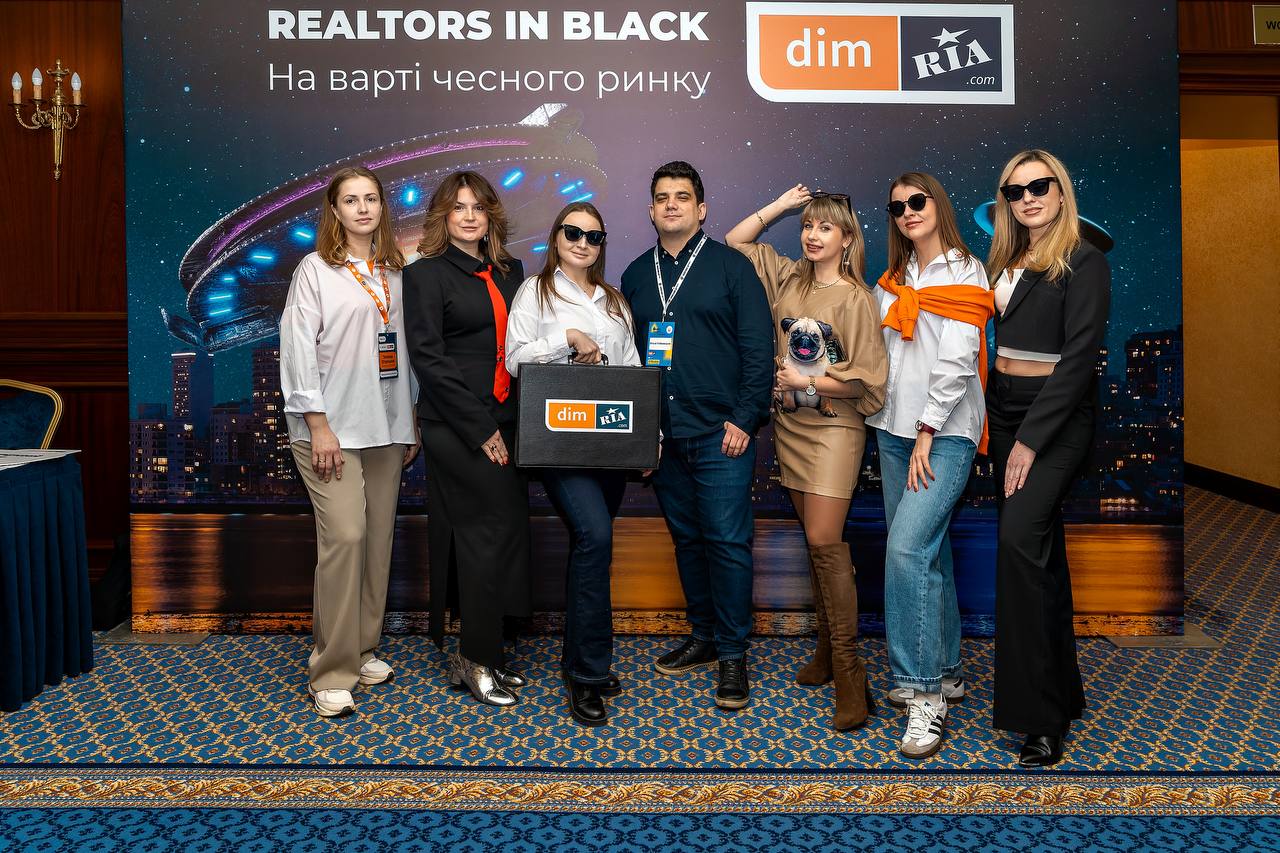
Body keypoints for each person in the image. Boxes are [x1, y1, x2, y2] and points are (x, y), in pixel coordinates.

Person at [725, 185, 887, 730]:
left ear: (847, 238)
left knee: (824, 541)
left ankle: (850, 672)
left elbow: (868, 382)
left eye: (825, 227)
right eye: (808, 226)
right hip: (791, 427)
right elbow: (735, 242)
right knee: (815, 544)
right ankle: (824, 650)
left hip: (835, 429)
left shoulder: (857, 298)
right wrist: (779, 207)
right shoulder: (790, 277)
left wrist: (807, 381)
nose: (813, 235)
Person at [621, 161, 774, 710]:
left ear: (701, 208)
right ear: (651, 210)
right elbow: (631, 360)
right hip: (664, 438)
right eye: (662, 197)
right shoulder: (636, 275)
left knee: (727, 542)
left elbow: (758, 349)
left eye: (682, 196)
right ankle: (704, 635)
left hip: (721, 433)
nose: (671, 204)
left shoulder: (732, 267)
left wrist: (745, 417)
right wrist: (643, 435)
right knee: (687, 540)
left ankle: (733, 654)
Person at [279, 165, 420, 718]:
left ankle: (362, 649)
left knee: (377, 540)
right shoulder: (314, 269)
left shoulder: (396, 272)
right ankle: (332, 671)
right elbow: (297, 349)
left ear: (382, 207)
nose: (363, 208)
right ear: (334, 211)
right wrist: (317, 424)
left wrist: (409, 418)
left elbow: (404, 352)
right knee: (346, 535)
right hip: (331, 429)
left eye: (371, 199)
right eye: (351, 200)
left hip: (387, 427)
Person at [985, 150, 1110, 767]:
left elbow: (1080, 358)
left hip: (1054, 420)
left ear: (1061, 191)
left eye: (1040, 186)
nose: (1028, 197)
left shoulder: (1084, 260)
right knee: (1041, 556)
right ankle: (1062, 693)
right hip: (1004, 409)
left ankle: (1039, 721)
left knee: (1018, 546)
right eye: (1015, 191)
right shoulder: (1004, 260)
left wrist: (1031, 440)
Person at [867, 172, 995, 759]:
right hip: (892, 432)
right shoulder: (892, 281)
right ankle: (944, 669)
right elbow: (880, 356)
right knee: (930, 551)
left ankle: (923, 694)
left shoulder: (966, 272)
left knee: (905, 549)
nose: (908, 212)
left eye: (917, 201)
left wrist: (926, 429)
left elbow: (959, 360)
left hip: (942, 435)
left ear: (937, 204)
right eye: (897, 207)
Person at [505, 202, 641, 727]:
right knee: (596, 537)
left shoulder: (615, 300)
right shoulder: (535, 292)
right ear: (557, 237)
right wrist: (565, 339)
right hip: (560, 442)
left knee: (593, 549)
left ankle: (583, 656)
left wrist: (647, 440)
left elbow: (631, 369)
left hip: (611, 444)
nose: (583, 243)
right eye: (573, 232)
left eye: (594, 236)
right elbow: (514, 360)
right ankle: (586, 673)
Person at [403, 170, 531, 707]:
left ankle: (486, 652)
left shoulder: (510, 271)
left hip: (509, 420)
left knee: (503, 534)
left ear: (491, 215)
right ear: (443, 216)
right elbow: (429, 360)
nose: (470, 216)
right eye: (459, 207)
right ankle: (477, 658)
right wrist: (480, 430)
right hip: (458, 427)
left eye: (478, 207)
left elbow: (525, 341)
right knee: (481, 536)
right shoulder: (424, 274)